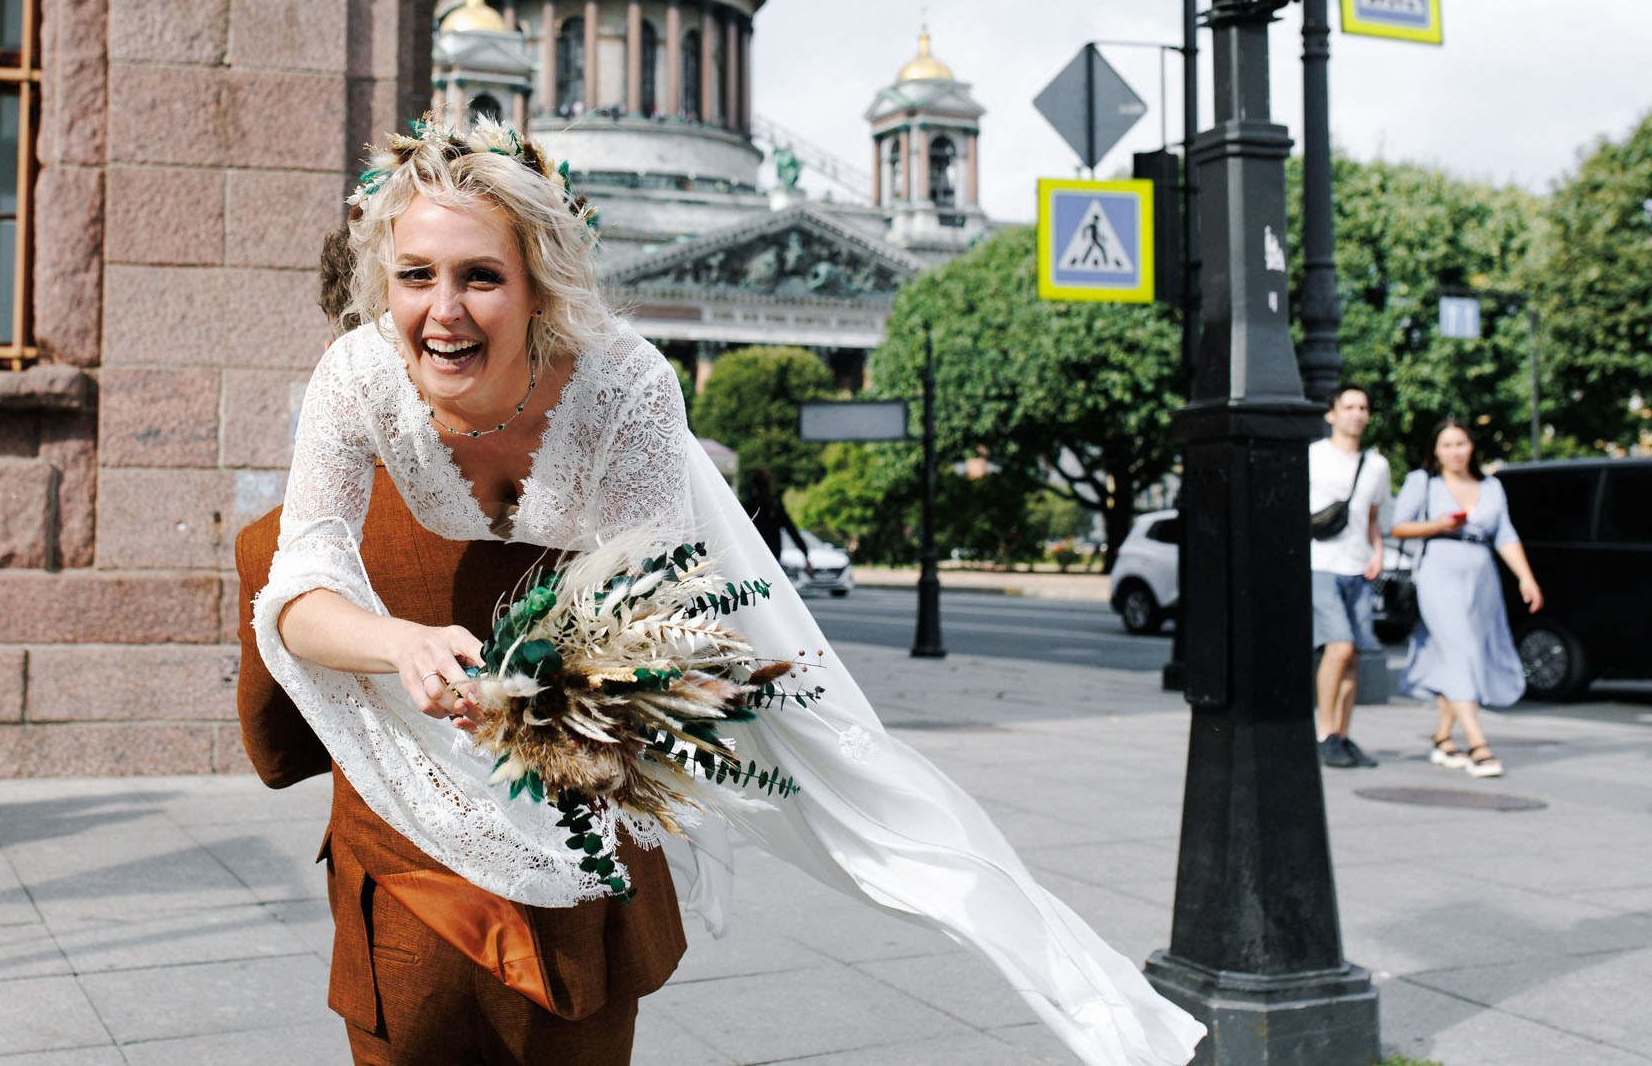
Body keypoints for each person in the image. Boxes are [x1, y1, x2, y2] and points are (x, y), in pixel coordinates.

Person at [251, 115, 1204, 1066]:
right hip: (407, 806)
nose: (444, 309)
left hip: (580, 747)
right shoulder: (357, 375)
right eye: (416, 274)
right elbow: (298, 578)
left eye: (481, 276)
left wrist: (541, 696)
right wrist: (403, 643)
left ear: (540, 283)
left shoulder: (623, 383)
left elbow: (647, 618)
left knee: (856, 791)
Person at [1390, 417, 1545, 778]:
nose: (1454, 452)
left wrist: (1526, 577)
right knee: (1462, 652)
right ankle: (1478, 744)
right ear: (1435, 451)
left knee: (1461, 652)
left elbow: (1505, 534)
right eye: (1446, 445)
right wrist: (1439, 524)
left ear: (1471, 447)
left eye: (1460, 444)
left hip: (1481, 576)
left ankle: (1443, 738)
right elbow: (1399, 526)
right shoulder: (1423, 482)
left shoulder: (1491, 486)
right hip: (1439, 571)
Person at [1308, 384, 1392, 769]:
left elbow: (1372, 518)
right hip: (1321, 563)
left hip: (1358, 566)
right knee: (1338, 648)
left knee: (1353, 655)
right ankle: (1325, 732)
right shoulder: (1313, 456)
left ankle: (1342, 734)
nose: (1357, 414)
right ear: (1332, 414)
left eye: (1363, 407)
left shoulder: (1377, 465)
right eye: (1349, 407)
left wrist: (1378, 553)